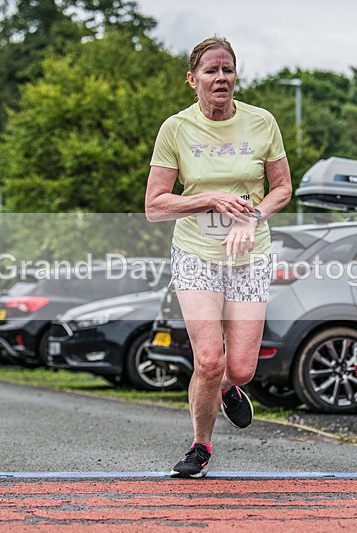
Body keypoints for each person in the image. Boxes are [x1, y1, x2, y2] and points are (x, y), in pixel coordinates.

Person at [145, 35, 292, 478]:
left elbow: (283, 188)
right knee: (209, 358)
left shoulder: (262, 122)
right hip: (197, 254)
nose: (221, 78)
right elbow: (155, 205)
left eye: (228, 69)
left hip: (250, 254)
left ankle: (229, 388)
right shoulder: (176, 129)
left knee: (241, 369)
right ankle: (200, 447)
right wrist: (208, 198)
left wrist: (254, 217)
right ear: (193, 79)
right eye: (211, 71)